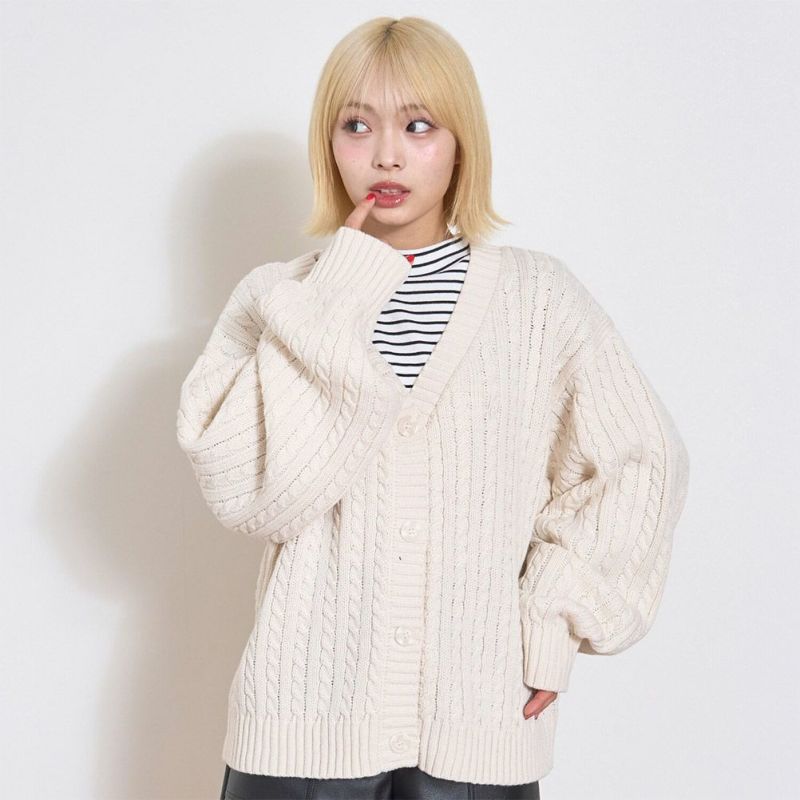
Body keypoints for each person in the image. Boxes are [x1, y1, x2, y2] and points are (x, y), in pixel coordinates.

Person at [175, 15, 690, 800]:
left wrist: (552, 620)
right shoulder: (281, 299)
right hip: (299, 732)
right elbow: (256, 495)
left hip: (478, 729)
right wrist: (341, 289)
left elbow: (640, 464)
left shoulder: (539, 301)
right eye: (356, 125)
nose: (386, 154)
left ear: (459, 144)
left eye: (418, 125)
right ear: (329, 144)